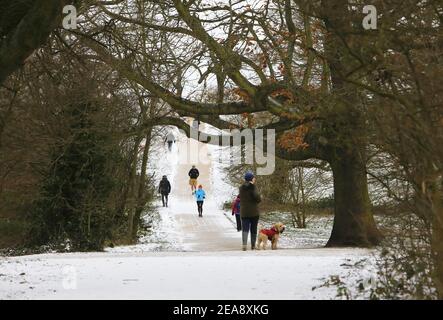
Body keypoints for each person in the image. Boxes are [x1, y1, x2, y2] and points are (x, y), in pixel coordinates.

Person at [239, 171, 261, 251]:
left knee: (245, 229)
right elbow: (257, 198)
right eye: (253, 177)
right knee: (253, 228)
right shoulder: (253, 187)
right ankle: (253, 245)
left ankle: (244, 245)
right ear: (251, 178)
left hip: (244, 212)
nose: (254, 179)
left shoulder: (241, 188)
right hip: (253, 212)